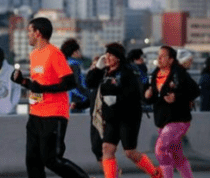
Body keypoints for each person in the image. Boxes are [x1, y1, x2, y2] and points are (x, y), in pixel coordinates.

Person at [11, 17, 89, 178]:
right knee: (33, 161)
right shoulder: (34, 55)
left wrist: (44, 89)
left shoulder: (54, 54)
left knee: (51, 159)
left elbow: (70, 83)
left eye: (29, 32)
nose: (28, 35)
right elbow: (37, 85)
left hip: (54, 115)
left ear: (38, 33)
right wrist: (22, 81)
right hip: (35, 114)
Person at [85, 43, 162, 178]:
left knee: (130, 152)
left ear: (118, 58)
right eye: (106, 54)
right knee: (107, 149)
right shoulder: (103, 71)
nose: (107, 57)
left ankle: (155, 172)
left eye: (110, 55)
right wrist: (97, 68)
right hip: (111, 118)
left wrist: (115, 98)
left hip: (128, 117)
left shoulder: (128, 72)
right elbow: (90, 83)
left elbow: (134, 94)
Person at [143, 46, 200, 178]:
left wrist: (177, 97)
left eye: (162, 56)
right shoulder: (156, 73)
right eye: (158, 55)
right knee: (176, 155)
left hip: (178, 119)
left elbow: (195, 91)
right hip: (163, 120)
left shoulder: (179, 72)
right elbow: (154, 98)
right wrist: (147, 95)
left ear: (170, 59)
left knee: (161, 149)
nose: (159, 58)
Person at [60, 39, 90, 113]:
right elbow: (77, 85)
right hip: (76, 99)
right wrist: (89, 95)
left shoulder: (66, 65)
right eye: (78, 51)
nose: (80, 53)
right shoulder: (75, 65)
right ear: (73, 53)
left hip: (67, 100)